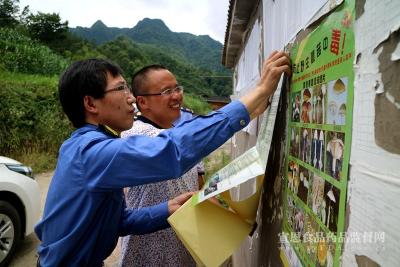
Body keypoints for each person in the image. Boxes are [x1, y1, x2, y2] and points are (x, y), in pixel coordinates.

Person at [34, 51, 290, 266]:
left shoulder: (94, 147)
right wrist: (259, 91)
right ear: (91, 104)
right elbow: (173, 150)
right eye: (121, 88)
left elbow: (118, 222)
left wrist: (166, 209)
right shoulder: (92, 153)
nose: (131, 98)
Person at [120, 65, 204, 266]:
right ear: (142, 102)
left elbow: (199, 180)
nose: (176, 96)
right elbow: (173, 145)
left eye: (177, 89)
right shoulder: (135, 135)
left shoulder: (178, 131)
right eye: (167, 91)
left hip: (183, 244)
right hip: (147, 251)